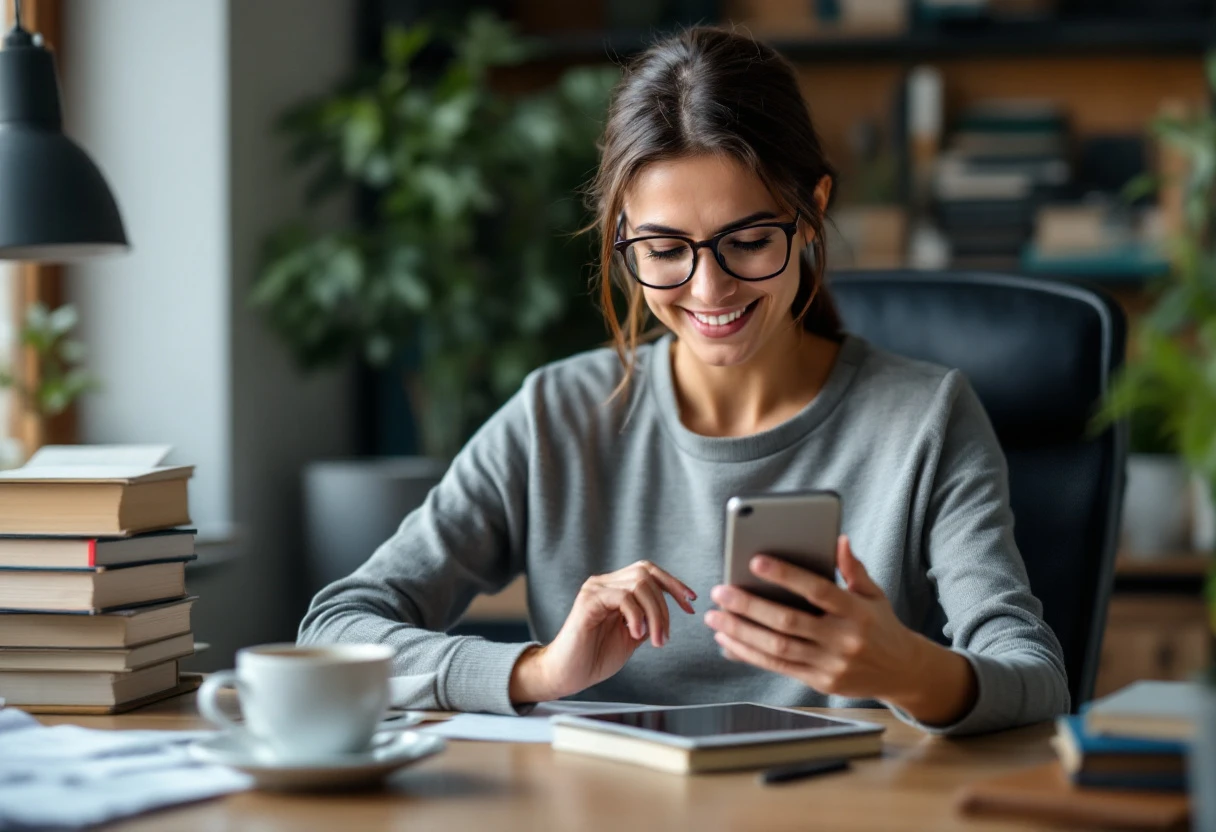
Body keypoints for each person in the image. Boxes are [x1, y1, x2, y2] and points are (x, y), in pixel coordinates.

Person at [298, 26, 1069, 735]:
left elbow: (1036, 676)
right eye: (665, 250)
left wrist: (911, 671)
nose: (709, 291)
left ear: (811, 212)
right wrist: (539, 669)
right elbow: (336, 628)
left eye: (749, 239)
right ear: (621, 236)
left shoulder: (926, 419)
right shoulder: (555, 414)